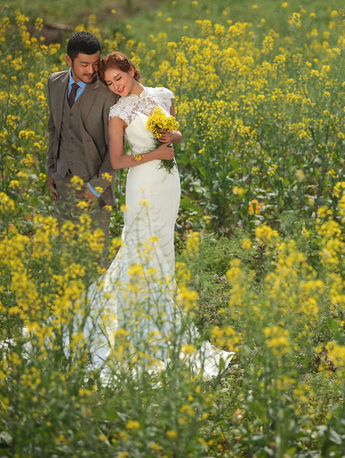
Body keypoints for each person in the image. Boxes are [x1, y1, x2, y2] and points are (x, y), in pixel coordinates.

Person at [68, 51, 233, 381]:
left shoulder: (163, 96)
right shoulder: (118, 113)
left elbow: (177, 134)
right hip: (142, 184)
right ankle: (138, 331)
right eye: (109, 83)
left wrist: (173, 139)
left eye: (119, 78)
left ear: (131, 70)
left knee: (163, 250)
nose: (116, 86)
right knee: (140, 249)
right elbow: (117, 161)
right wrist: (156, 153)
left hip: (168, 181)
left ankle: (163, 324)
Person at [46, 32, 119, 266]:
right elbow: (53, 129)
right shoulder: (54, 82)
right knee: (65, 257)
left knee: (96, 260)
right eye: (84, 64)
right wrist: (51, 170)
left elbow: (115, 147)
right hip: (62, 182)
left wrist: (98, 186)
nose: (91, 70)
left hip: (93, 186)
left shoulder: (108, 92)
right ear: (69, 61)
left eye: (96, 63)